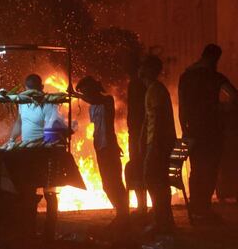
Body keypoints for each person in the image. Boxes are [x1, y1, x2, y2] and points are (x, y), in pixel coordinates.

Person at [178, 44, 238, 221]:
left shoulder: (186, 76)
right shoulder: (214, 77)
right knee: (210, 169)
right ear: (214, 58)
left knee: (196, 170)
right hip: (212, 130)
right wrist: (223, 108)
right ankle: (204, 208)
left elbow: (182, 107)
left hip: (193, 130)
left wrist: (185, 129)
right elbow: (234, 94)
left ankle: (196, 208)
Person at [7, 73, 67, 241]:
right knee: (28, 190)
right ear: (25, 90)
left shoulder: (48, 104)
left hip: (45, 151)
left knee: (50, 191)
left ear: (41, 89)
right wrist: (11, 139)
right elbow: (19, 122)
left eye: (34, 89)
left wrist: (43, 143)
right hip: (27, 151)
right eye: (29, 90)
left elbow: (52, 127)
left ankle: (50, 232)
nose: (32, 93)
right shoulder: (23, 103)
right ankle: (29, 230)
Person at [73, 76, 129, 226]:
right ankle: (121, 213)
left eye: (86, 91)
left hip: (109, 146)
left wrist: (76, 95)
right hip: (101, 147)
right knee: (107, 184)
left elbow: (96, 101)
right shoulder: (93, 105)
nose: (84, 94)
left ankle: (124, 215)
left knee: (115, 182)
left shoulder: (107, 100)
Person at [139, 55, 177, 235]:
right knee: (157, 180)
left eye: (143, 67)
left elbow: (159, 116)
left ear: (149, 70)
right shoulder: (153, 89)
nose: (140, 70)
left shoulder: (155, 89)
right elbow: (149, 119)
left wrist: (154, 144)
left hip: (158, 143)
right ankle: (164, 220)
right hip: (156, 142)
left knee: (154, 180)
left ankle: (161, 221)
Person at [125, 53, 148, 218]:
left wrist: (139, 134)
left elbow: (140, 111)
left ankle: (142, 208)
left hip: (138, 133)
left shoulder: (138, 84)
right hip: (136, 132)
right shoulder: (136, 83)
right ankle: (142, 207)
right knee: (138, 168)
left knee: (139, 168)